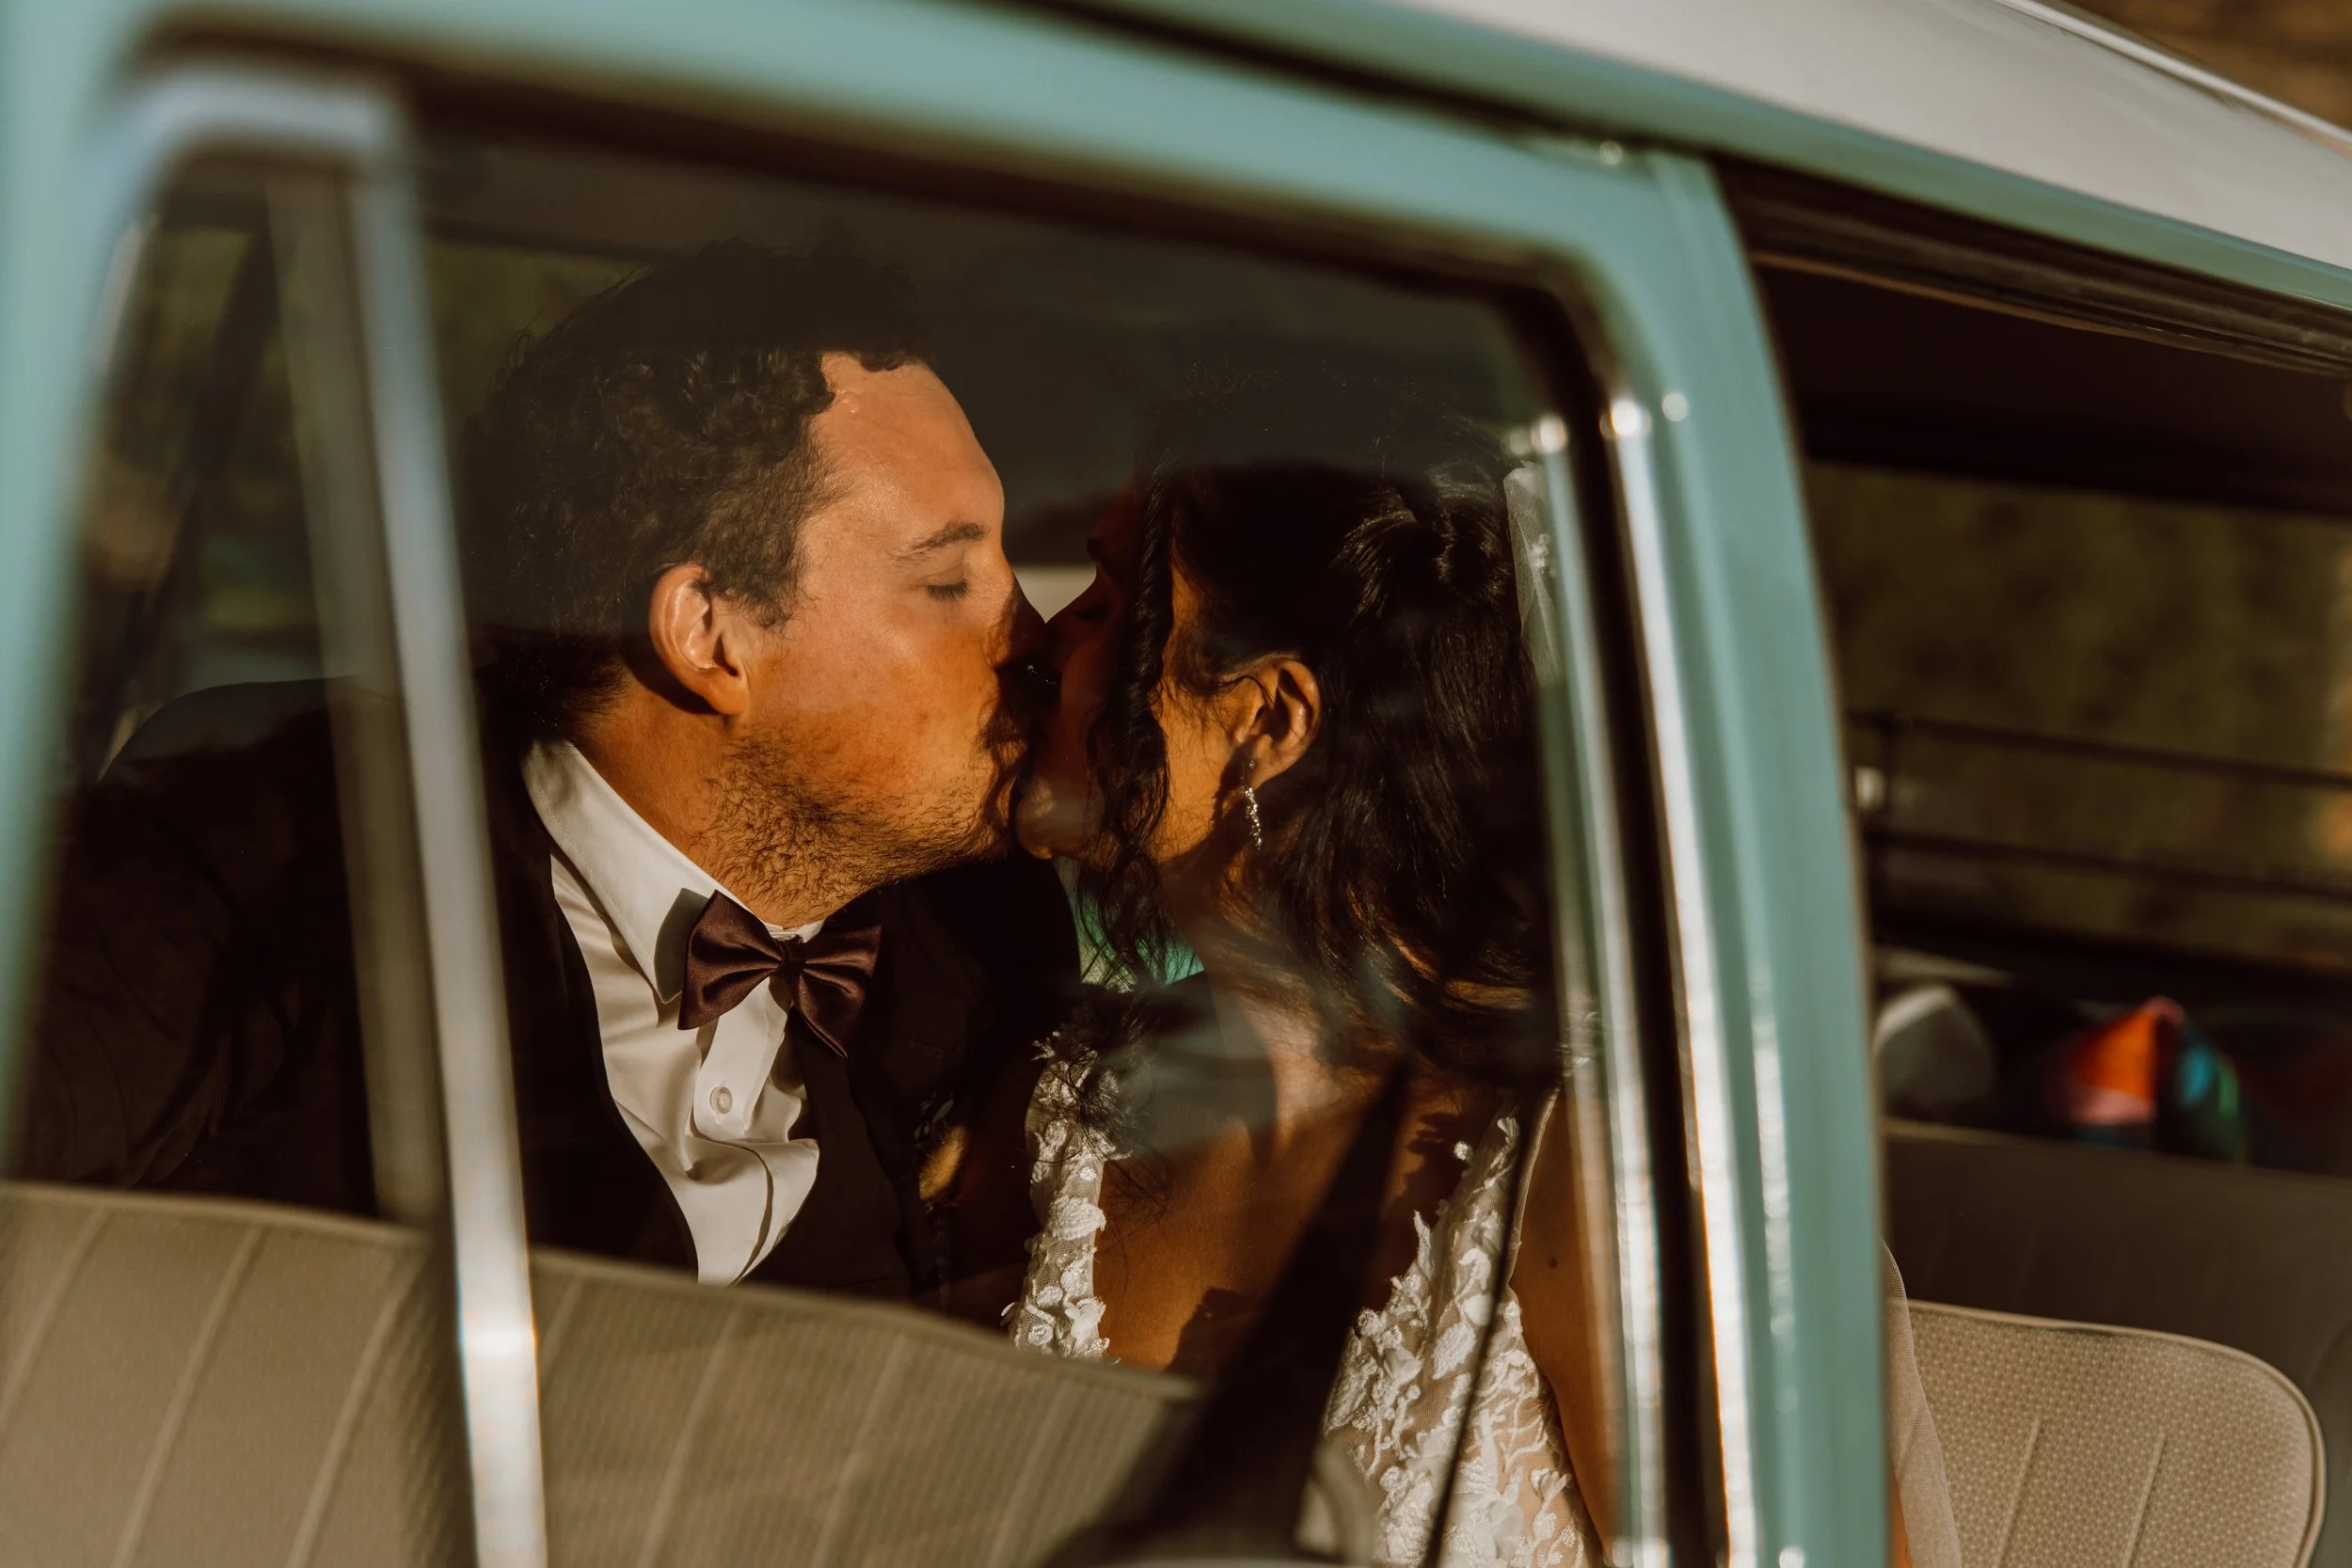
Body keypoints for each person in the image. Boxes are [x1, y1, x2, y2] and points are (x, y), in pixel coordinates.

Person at [947, 383, 1960, 1566]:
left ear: (1270, 721)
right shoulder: (1053, 1115)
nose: (1045, 640)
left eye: (1113, 602)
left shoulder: (1601, 1178)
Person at [18, 240, 1074, 1299]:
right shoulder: (265, 859)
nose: (1036, 633)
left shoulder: (986, 940)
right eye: (947, 580)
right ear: (711, 637)